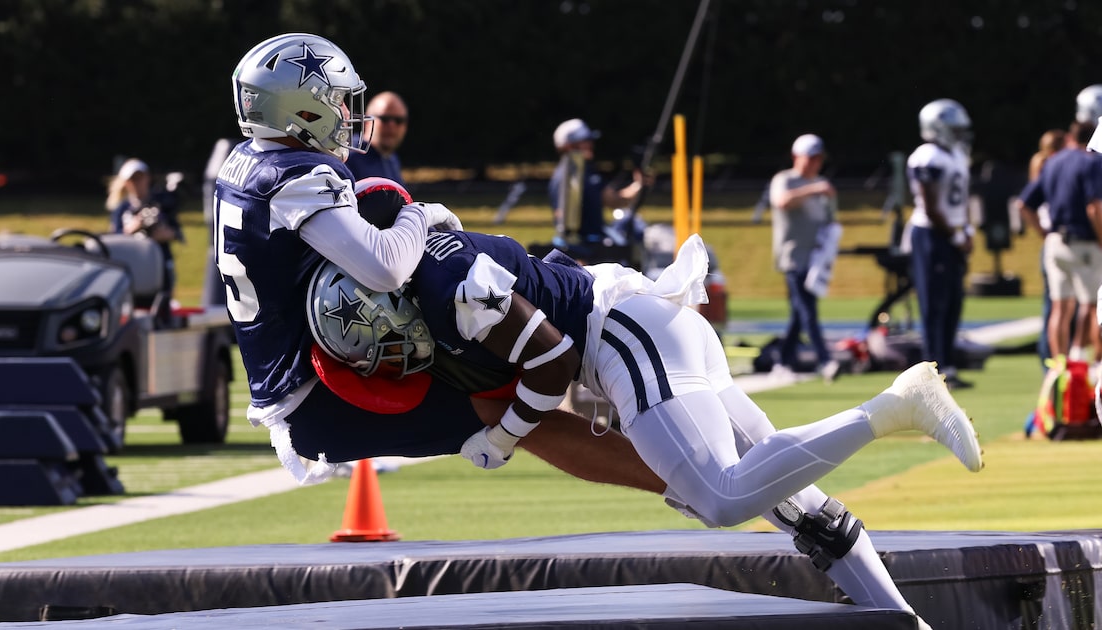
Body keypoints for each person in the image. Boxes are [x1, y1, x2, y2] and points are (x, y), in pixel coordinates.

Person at [308, 195, 981, 625]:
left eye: (385, 349)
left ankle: (895, 407)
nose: (390, 365)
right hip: (646, 331)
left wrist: (506, 436)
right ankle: (904, 621)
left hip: (625, 336)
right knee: (793, 502)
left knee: (721, 498)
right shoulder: (434, 293)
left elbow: (551, 365)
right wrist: (511, 429)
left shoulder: (448, 287)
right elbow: (538, 399)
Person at [214, 33, 666, 497]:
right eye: (337, 101)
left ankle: (672, 473)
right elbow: (385, 268)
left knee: (510, 382)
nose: (347, 114)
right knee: (514, 406)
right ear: (301, 109)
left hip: (292, 379)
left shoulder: (245, 162)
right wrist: (421, 213)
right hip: (318, 392)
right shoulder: (297, 176)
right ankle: (680, 486)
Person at [1018, 120, 1102, 366]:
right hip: (1084, 241)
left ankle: (1059, 366)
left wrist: (1045, 233)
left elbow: (1024, 204)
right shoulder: (1091, 162)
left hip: (1055, 241)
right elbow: (1094, 207)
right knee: (1090, 304)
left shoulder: (1053, 161)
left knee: (1059, 308)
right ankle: (1080, 358)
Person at [904, 99, 974, 390]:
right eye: (954, 129)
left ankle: (948, 365)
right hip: (931, 236)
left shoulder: (956, 154)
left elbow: (961, 201)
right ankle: (931, 371)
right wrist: (956, 235)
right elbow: (931, 207)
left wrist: (966, 228)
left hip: (951, 234)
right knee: (934, 304)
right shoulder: (926, 156)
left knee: (953, 302)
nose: (959, 135)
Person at [768, 134, 840, 382]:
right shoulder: (785, 179)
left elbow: (829, 221)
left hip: (815, 260)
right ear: (797, 157)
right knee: (807, 311)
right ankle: (826, 360)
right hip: (794, 258)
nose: (816, 163)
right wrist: (814, 189)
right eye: (812, 158)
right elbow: (782, 201)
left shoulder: (821, 183)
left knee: (800, 314)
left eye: (818, 158)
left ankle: (783, 361)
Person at [548, 118, 647, 256]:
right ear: (569, 146)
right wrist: (640, 185)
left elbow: (611, 199)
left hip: (584, 242)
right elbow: (614, 200)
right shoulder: (576, 174)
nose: (591, 145)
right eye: (585, 141)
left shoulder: (573, 172)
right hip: (586, 245)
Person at [106, 157, 183, 320]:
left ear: (147, 178)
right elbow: (114, 239)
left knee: (161, 308)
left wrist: (164, 234)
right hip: (131, 267)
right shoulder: (122, 209)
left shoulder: (162, 203)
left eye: (139, 177)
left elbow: (176, 232)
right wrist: (132, 228)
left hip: (160, 264)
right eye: (132, 179)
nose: (137, 183)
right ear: (126, 183)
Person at [1028, 129, 1067, 368]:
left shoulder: (1043, 166)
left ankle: (1051, 362)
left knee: (1054, 308)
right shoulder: (1052, 168)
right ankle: (1051, 363)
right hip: (1058, 240)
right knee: (1056, 309)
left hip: (1051, 243)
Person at [345, 91, 408, 184]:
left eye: (399, 121)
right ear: (366, 120)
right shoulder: (347, 155)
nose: (392, 126)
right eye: (385, 119)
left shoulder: (392, 158)